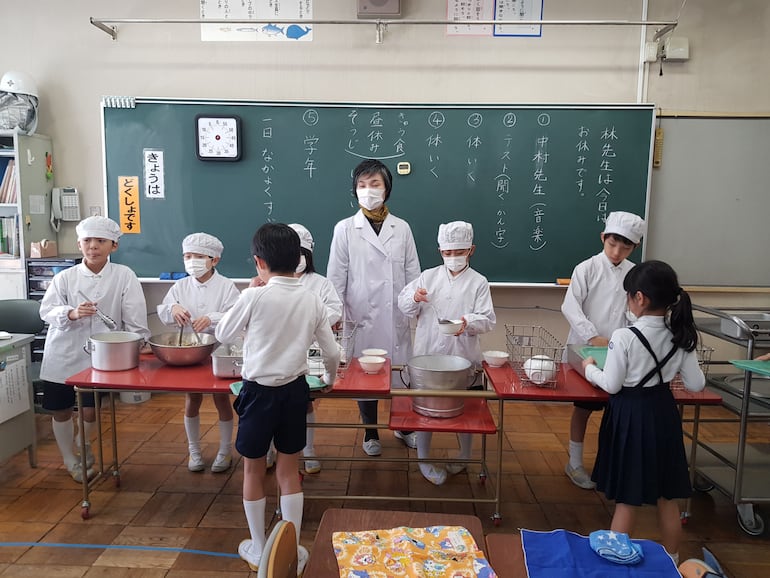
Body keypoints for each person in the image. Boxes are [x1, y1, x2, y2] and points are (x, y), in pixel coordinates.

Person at [216, 223, 340, 574]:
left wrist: (248, 290)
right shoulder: (311, 298)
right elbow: (331, 351)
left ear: (259, 262)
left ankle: (258, 547)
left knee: (254, 469)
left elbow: (223, 332)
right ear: (299, 260)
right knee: (289, 470)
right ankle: (293, 547)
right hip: (294, 391)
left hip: (257, 394)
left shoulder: (254, 295)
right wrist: (329, 379)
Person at [581, 260, 705, 565]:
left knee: (628, 496)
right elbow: (697, 383)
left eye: (627, 295)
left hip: (631, 417)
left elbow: (611, 385)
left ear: (640, 298)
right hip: (663, 413)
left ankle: (615, 562)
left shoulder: (624, 337)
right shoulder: (681, 336)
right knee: (667, 497)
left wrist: (589, 370)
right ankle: (673, 560)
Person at [39, 216, 150, 482]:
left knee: (90, 409)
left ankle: (84, 442)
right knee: (61, 409)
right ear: (79, 245)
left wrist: (140, 342)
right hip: (63, 352)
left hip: (103, 356)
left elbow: (135, 316)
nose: (93, 246)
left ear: (114, 245)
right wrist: (72, 313)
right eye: (87, 241)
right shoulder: (65, 278)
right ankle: (69, 458)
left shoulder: (124, 276)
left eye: (100, 241)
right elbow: (46, 311)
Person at [327, 159, 421, 456]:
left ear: (387, 188)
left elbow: (413, 273)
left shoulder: (402, 228)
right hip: (360, 317)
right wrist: (335, 316)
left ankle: (405, 427)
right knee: (365, 375)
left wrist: (413, 307)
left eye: (375, 184)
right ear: (355, 191)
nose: (368, 191)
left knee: (401, 375)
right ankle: (370, 431)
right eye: (362, 185)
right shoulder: (344, 229)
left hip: (395, 316)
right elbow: (335, 278)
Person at [398, 221, 495, 485]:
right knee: (425, 410)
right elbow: (404, 305)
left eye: (459, 251)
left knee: (464, 409)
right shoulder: (427, 276)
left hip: (463, 356)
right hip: (428, 354)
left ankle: (464, 456)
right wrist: (414, 298)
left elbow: (487, 319)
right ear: (440, 251)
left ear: (471, 250)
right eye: (447, 252)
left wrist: (466, 323)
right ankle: (424, 459)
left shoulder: (478, 282)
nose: (452, 257)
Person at [560, 210, 646, 489]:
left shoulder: (634, 273)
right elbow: (570, 306)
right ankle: (574, 463)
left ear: (635, 247)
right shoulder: (587, 268)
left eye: (625, 246)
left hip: (620, 351)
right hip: (587, 350)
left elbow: (635, 310)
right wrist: (592, 335)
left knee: (617, 409)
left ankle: (610, 465)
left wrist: (631, 333)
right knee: (584, 407)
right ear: (602, 238)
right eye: (612, 244)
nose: (617, 251)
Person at [255, 223, 343, 474]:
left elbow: (334, 310)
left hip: (312, 350)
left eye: (303, 252)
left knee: (304, 402)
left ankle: (309, 450)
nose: (298, 257)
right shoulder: (266, 283)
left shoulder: (321, 283)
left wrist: (305, 317)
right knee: (271, 406)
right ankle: (270, 449)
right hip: (274, 354)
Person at [157, 232, 240, 473]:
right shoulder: (180, 286)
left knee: (221, 399)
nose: (191, 260)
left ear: (214, 260)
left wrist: (212, 318)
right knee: (191, 399)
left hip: (218, 349)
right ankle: (194, 450)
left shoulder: (226, 286)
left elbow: (236, 315)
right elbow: (164, 309)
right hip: (189, 354)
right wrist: (173, 309)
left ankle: (225, 451)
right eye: (187, 256)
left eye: (198, 256)